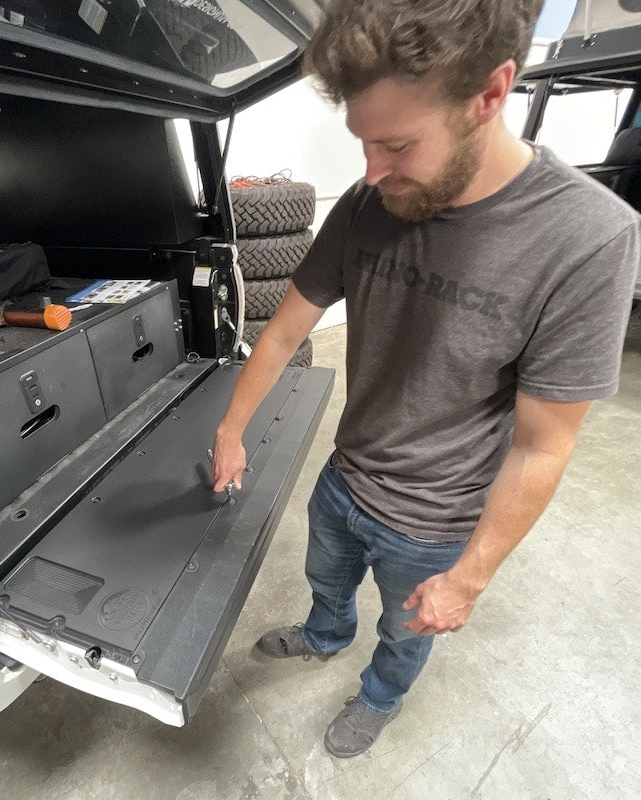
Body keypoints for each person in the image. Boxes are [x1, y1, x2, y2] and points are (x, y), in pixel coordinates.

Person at [211, 0, 641, 759]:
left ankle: (380, 696)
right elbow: (283, 330)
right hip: (346, 479)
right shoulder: (366, 203)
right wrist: (231, 428)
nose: (371, 174)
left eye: (397, 144)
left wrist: (469, 578)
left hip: (436, 521)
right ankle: (323, 634)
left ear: (490, 93)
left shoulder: (587, 237)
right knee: (326, 579)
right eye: (362, 144)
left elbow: (543, 445)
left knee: (405, 633)